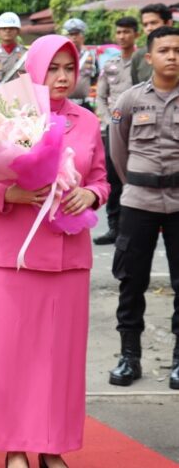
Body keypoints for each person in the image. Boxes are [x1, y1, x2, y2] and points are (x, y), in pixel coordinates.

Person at [0, 35, 108, 468]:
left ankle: (51, 445)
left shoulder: (87, 121)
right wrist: (11, 194)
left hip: (67, 258)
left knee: (58, 361)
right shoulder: (5, 110)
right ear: (34, 68)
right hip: (13, 258)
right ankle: (15, 446)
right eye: (53, 68)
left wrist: (93, 197)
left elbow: (100, 178)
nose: (62, 77)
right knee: (11, 357)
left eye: (69, 69)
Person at [108, 26, 179, 391]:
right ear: (149, 57)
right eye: (164, 50)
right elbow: (118, 152)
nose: (172, 56)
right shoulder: (130, 100)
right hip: (139, 202)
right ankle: (129, 355)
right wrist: (137, 182)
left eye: (177, 50)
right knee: (132, 280)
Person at [93, 16, 138, 246]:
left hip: (139, 128)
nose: (122, 36)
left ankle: (134, 227)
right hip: (113, 129)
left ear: (136, 35)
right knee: (113, 178)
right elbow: (100, 96)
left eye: (127, 32)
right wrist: (109, 120)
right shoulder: (110, 65)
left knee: (136, 176)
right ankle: (114, 227)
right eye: (119, 32)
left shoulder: (144, 63)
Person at [131, 3, 174, 85]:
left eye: (153, 23)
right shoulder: (138, 56)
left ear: (168, 23)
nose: (149, 28)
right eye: (145, 25)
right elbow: (136, 90)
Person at [63, 17, 98, 111]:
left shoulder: (91, 56)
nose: (74, 37)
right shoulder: (61, 57)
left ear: (83, 36)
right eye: (71, 34)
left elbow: (95, 78)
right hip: (65, 102)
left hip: (85, 103)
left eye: (77, 34)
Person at [0, 12, 27, 83]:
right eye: (4, 28)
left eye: (11, 28)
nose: (7, 31)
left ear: (18, 31)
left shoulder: (27, 55)